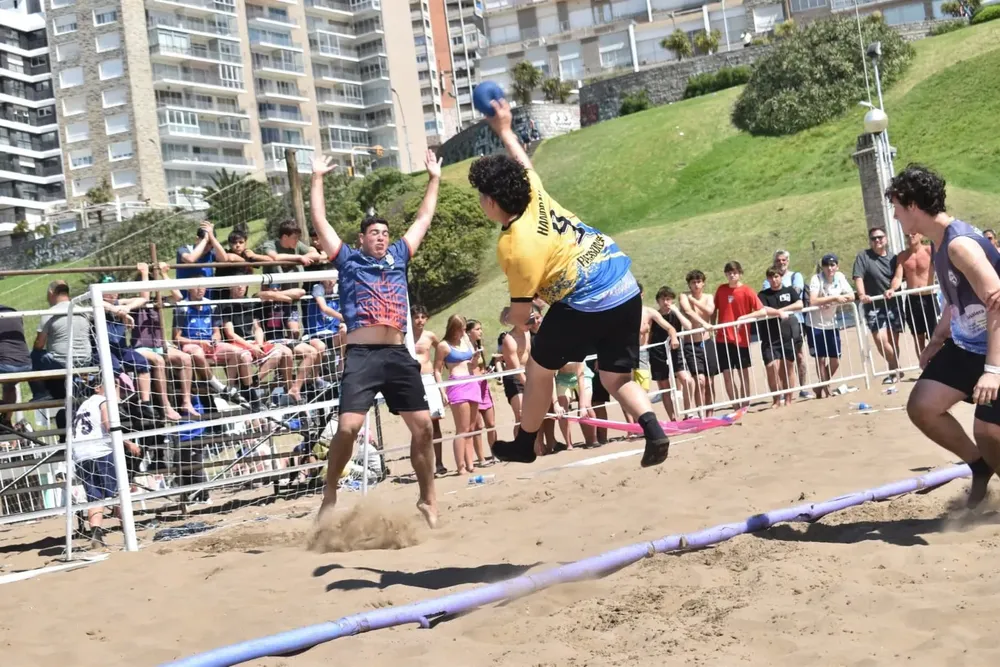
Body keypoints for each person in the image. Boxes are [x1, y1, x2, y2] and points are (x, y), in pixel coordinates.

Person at [468, 98, 670, 467]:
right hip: (623, 282)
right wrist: (504, 129)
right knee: (614, 375)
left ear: (494, 202)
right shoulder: (532, 190)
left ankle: (525, 443)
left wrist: (509, 319)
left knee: (539, 367)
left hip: (586, 298)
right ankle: (653, 430)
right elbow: (521, 159)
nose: (481, 202)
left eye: (482, 196)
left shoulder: (513, 246)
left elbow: (522, 313)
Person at [310, 149, 443, 528]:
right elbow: (319, 220)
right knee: (348, 427)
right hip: (363, 355)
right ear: (362, 238)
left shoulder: (400, 255)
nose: (382, 238)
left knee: (424, 426)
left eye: (385, 233)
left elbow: (423, 218)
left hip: (397, 355)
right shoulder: (348, 260)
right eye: (375, 233)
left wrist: (434, 177)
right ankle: (331, 490)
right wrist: (317, 176)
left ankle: (428, 499)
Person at [891, 165, 1000, 508]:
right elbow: (955, 303)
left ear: (912, 206)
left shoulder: (959, 245)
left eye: (896, 207)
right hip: (968, 346)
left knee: (988, 432)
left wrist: (993, 371)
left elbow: (997, 303)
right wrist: (937, 340)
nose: (894, 216)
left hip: (995, 347)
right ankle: (980, 468)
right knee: (923, 406)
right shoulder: (939, 244)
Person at [72, 379, 140, 547]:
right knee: (119, 492)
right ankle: (129, 533)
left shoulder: (83, 405)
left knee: (95, 497)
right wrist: (128, 442)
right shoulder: (103, 401)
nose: (115, 388)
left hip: (81, 454)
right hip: (100, 451)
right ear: (98, 388)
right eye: (113, 384)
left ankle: (96, 535)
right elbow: (108, 424)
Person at [132, 262, 199, 418]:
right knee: (159, 361)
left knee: (185, 358)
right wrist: (144, 273)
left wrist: (163, 274)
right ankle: (166, 406)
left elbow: (179, 296)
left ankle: (186, 401)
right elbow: (144, 297)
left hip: (160, 346)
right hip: (142, 347)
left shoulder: (159, 301)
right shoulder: (135, 301)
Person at [173, 286, 258, 406]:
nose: (200, 289)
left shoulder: (211, 305)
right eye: (197, 287)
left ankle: (233, 388)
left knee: (239, 352)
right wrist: (200, 343)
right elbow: (176, 338)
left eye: (203, 287)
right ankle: (219, 387)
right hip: (192, 344)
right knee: (197, 353)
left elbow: (217, 332)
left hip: (211, 344)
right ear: (190, 289)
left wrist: (214, 340)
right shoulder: (183, 307)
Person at [853, 227, 903, 384]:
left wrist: (892, 289)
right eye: (873, 238)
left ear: (886, 239)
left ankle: (893, 372)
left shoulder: (894, 258)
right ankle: (897, 368)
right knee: (880, 340)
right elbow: (858, 277)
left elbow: (898, 277)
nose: (877, 240)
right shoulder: (863, 257)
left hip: (892, 303)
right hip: (873, 305)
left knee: (893, 341)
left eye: (880, 237)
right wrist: (861, 294)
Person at [713, 261, 766, 408]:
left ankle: (744, 404)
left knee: (743, 373)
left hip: (740, 338)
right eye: (729, 272)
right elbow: (714, 310)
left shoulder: (747, 290)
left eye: (735, 272)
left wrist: (745, 317)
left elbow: (762, 310)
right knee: (727, 374)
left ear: (740, 273)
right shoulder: (721, 290)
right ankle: (735, 405)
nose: (732, 275)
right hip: (722, 338)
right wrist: (712, 326)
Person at [435, 314, 483, 474]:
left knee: (471, 427)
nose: (462, 333)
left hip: (471, 381)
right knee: (461, 429)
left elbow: (473, 363)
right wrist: (442, 391)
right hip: (456, 384)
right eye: (459, 329)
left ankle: (470, 464)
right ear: (452, 329)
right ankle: (460, 466)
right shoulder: (443, 345)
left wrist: (475, 359)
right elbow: (437, 369)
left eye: (463, 329)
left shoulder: (466, 341)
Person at [30, 281, 92, 401]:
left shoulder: (50, 313)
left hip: (61, 362)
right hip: (85, 360)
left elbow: (39, 344)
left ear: (51, 293)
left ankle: (40, 393)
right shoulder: (84, 311)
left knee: (33, 355)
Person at [806, 254, 854, 398]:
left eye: (832, 265)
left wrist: (838, 300)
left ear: (837, 266)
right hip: (815, 323)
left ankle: (820, 385)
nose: (830, 268)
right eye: (827, 265)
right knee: (820, 358)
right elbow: (813, 300)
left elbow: (851, 295)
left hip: (831, 322)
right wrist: (834, 298)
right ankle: (826, 388)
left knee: (835, 360)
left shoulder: (839, 277)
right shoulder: (817, 279)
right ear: (823, 267)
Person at [764, 250, 810, 397]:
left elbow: (795, 294)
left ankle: (803, 388)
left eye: (784, 260)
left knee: (799, 355)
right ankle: (785, 390)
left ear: (788, 261)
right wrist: (779, 311)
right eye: (778, 260)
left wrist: (780, 309)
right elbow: (768, 297)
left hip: (795, 322)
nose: (781, 263)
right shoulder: (768, 279)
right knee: (782, 359)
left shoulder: (796, 276)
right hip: (775, 325)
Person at [757, 267, 804, 408]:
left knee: (788, 366)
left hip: (788, 334)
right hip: (769, 336)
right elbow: (762, 309)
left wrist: (781, 311)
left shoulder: (789, 291)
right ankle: (776, 399)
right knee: (771, 368)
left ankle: (789, 398)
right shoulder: (763, 294)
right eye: (771, 277)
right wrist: (778, 313)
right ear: (767, 279)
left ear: (781, 277)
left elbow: (800, 304)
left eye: (776, 276)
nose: (774, 279)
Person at [886, 231, 938, 354]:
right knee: (917, 336)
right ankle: (924, 368)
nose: (910, 237)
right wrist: (892, 289)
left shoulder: (930, 251)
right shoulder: (903, 256)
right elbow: (898, 277)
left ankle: (939, 367)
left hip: (929, 297)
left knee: (935, 336)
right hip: (913, 300)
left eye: (913, 234)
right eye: (907, 235)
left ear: (921, 235)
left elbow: (942, 267)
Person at [412, 305, 447, 476]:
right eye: (416, 317)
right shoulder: (405, 337)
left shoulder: (429, 336)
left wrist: (440, 367)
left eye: (422, 317)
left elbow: (442, 350)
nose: (420, 321)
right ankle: (423, 465)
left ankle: (439, 462)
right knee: (418, 424)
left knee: (435, 422)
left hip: (428, 379)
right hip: (413, 381)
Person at [679, 270, 718, 412]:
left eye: (698, 282)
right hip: (691, 344)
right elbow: (688, 311)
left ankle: (710, 411)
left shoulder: (708, 297)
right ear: (689, 284)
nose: (696, 285)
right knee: (700, 380)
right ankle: (701, 412)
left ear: (703, 283)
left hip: (706, 342)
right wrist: (703, 323)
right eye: (693, 282)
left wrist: (695, 301)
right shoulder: (684, 296)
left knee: (709, 381)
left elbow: (710, 311)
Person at [649, 287, 689, 418]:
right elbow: (648, 335)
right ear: (658, 301)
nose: (666, 302)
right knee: (665, 388)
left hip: (675, 351)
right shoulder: (654, 316)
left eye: (668, 299)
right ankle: (672, 419)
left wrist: (677, 311)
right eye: (663, 299)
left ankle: (688, 413)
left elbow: (688, 326)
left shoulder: (675, 314)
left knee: (687, 380)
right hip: (658, 354)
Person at [465, 319, 498, 466]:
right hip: (472, 387)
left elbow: (481, 368)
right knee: (477, 426)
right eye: (477, 329)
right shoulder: (464, 349)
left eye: (481, 328)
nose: (481, 332)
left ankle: (495, 453)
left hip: (484, 387)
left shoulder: (480, 346)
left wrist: (488, 370)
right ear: (468, 332)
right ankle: (481, 458)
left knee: (491, 423)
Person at [0, 304, 31, 424]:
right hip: (25, 364)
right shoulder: (12, 311)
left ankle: (4, 407)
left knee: (8, 378)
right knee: (9, 386)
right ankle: (7, 419)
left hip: (6, 365)